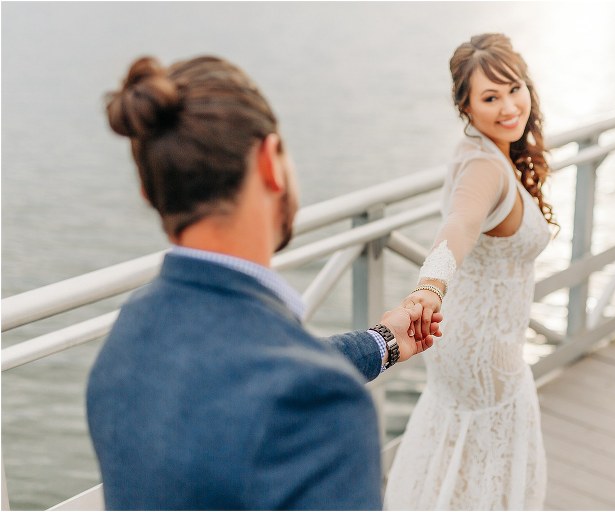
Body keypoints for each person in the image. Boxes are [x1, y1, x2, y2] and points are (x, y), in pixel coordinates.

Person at [86, 55, 442, 510]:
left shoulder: (127, 337)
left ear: (150, 192)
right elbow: (280, 391)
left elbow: (240, 390)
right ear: (270, 160)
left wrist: (384, 341)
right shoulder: (324, 405)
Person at [384, 33, 557, 510]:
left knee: (451, 459)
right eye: (490, 97)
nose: (509, 107)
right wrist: (429, 285)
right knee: (481, 468)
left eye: (514, 89)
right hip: (485, 352)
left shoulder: (483, 149)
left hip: (464, 343)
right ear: (466, 106)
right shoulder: (483, 166)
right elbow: (459, 224)